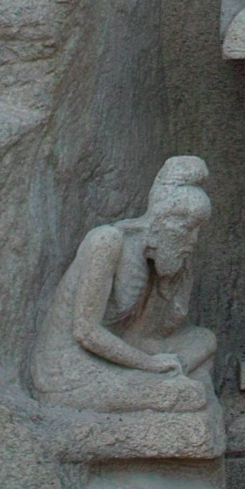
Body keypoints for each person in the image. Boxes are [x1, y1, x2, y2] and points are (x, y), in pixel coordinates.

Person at [30, 154, 216, 412]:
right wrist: (149, 364)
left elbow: (144, 335)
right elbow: (86, 332)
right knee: (187, 395)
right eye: (187, 228)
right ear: (165, 222)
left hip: (122, 350)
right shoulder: (107, 242)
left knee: (205, 339)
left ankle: (171, 372)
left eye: (197, 230)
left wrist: (170, 285)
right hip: (71, 369)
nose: (193, 240)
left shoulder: (155, 262)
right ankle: (165, 378)